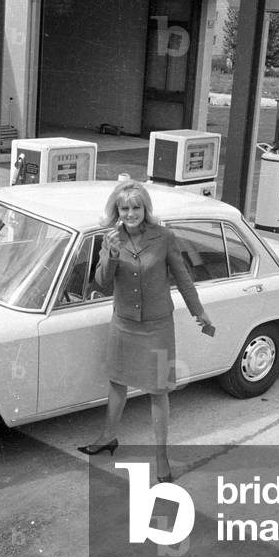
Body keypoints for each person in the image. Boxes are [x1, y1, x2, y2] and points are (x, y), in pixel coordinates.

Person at [76, 181, 214, 483]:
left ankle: (161, 456)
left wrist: (199, 313)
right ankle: (108, 436)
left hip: (158, 327)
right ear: (117, 211)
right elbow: (101, 282)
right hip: (124, 324)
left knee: (158, 391)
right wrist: (110, 253)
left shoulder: (164, 237)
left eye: (136, 207)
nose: (130, 213)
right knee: (117, 382)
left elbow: (183, 279)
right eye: (124, 208)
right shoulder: (110, 238)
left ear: (145, 209)